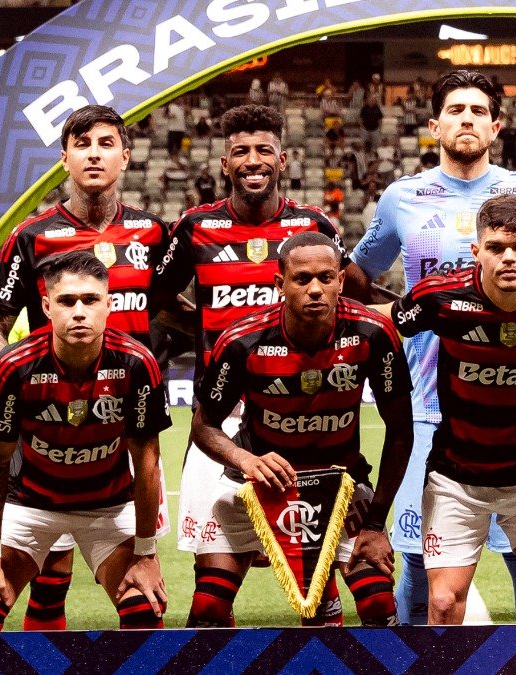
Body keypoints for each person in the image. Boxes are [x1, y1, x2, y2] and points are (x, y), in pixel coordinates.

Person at [149, 103, 368, 626]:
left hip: (304, 415)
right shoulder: (194, 227)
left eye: (263, 150)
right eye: (240, 152)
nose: (252, 160)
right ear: (225, 163)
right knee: (210, 594)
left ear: (282, 159)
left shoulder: (311, 225)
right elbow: (153, 298)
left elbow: (354, 294)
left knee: (319, 580)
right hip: (221, 420)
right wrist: (206, 329)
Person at [348, 69, 516, 624]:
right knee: (417, 559)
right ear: (435, 124)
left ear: (497, 125)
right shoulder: (402, 198)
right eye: (456, 109)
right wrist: (395, 317)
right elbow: (358, 275)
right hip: (427, 405)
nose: (468, 119)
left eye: (479, 110)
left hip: (515, 404)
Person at [0, 104, 170, 631]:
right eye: (81, 144)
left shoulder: (154, 235)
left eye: (106, 143)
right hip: (48, 420)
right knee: (47, 574)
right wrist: (12, 393)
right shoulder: (30, 236)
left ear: (126, 157)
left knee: (136, 581)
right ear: (63, 158)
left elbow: (176, 310)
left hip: (123, 425)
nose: (93, 154)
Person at [378, 194, 516, 624]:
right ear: (477, 252)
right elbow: (382, 322)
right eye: (495, 248)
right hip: (457, 477)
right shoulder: (441, 296)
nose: (508, 258)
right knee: (441, 604)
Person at [190, 232, 413, 626]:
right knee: (208, 607)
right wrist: (246, 460)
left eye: (326, 278)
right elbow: (204, 426)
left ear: (341, 281)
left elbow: (400, 431)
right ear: (280, 284)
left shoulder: (374, 332)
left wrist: (377, 523)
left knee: (379, 603)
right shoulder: (243, 341)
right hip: (255, 486)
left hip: (342, 485)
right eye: (302, 279)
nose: (315, 289)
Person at [0, 250, 171, 631]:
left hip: (108, 505)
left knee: (144, 608)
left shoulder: (138, 364)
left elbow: (147, 463)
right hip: (29, 504)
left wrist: (146, 554)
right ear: (46, 306)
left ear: (109, 305)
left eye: (90, 300)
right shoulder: (13, 366)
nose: (78, 312)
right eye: (66, 301)